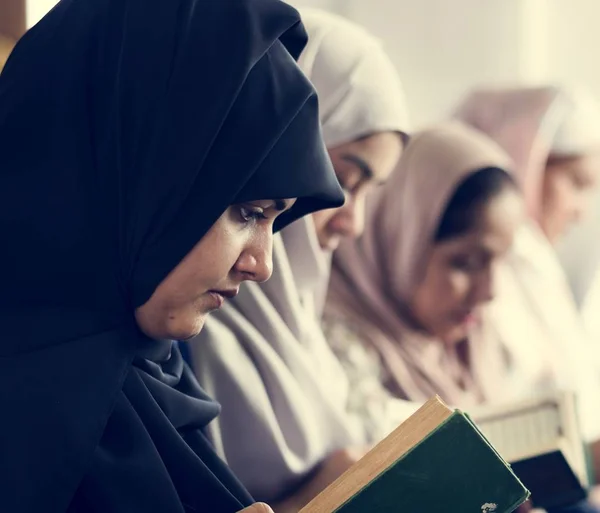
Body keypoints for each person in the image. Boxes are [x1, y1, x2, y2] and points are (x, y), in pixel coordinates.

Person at [0, 0, 347, 511]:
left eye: (276, 221)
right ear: (132, 180)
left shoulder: (151, 377)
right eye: (248, 213)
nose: (262, 265)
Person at [186, 8, 412, 511]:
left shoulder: (301, 327)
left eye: (369, 192)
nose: (352, 222)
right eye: (342, 181)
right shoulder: (181, 326)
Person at [455, 86, 600, 513]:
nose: (581, 210)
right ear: (527, 162)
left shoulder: (540, 270)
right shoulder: (484, 282)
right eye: (576, 183)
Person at [325, 122, 524, 426]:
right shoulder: (336, 355)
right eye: (467, 262)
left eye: (501, 261)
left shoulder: (475, 345)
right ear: (397, 239)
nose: (490, 291)